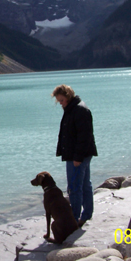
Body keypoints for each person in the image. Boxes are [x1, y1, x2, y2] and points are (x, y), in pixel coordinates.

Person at [52, 84, 97, 227]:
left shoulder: (79, 110)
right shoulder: (72, 108)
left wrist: (78, 157)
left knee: (74, 187)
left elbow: (85, 136)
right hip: (79, 153)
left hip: (77, 155)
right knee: (84, 184)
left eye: (62, 101)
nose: (61, 104)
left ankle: (75, 218)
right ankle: (86, 214)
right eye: (59, 101)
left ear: (68, 96)